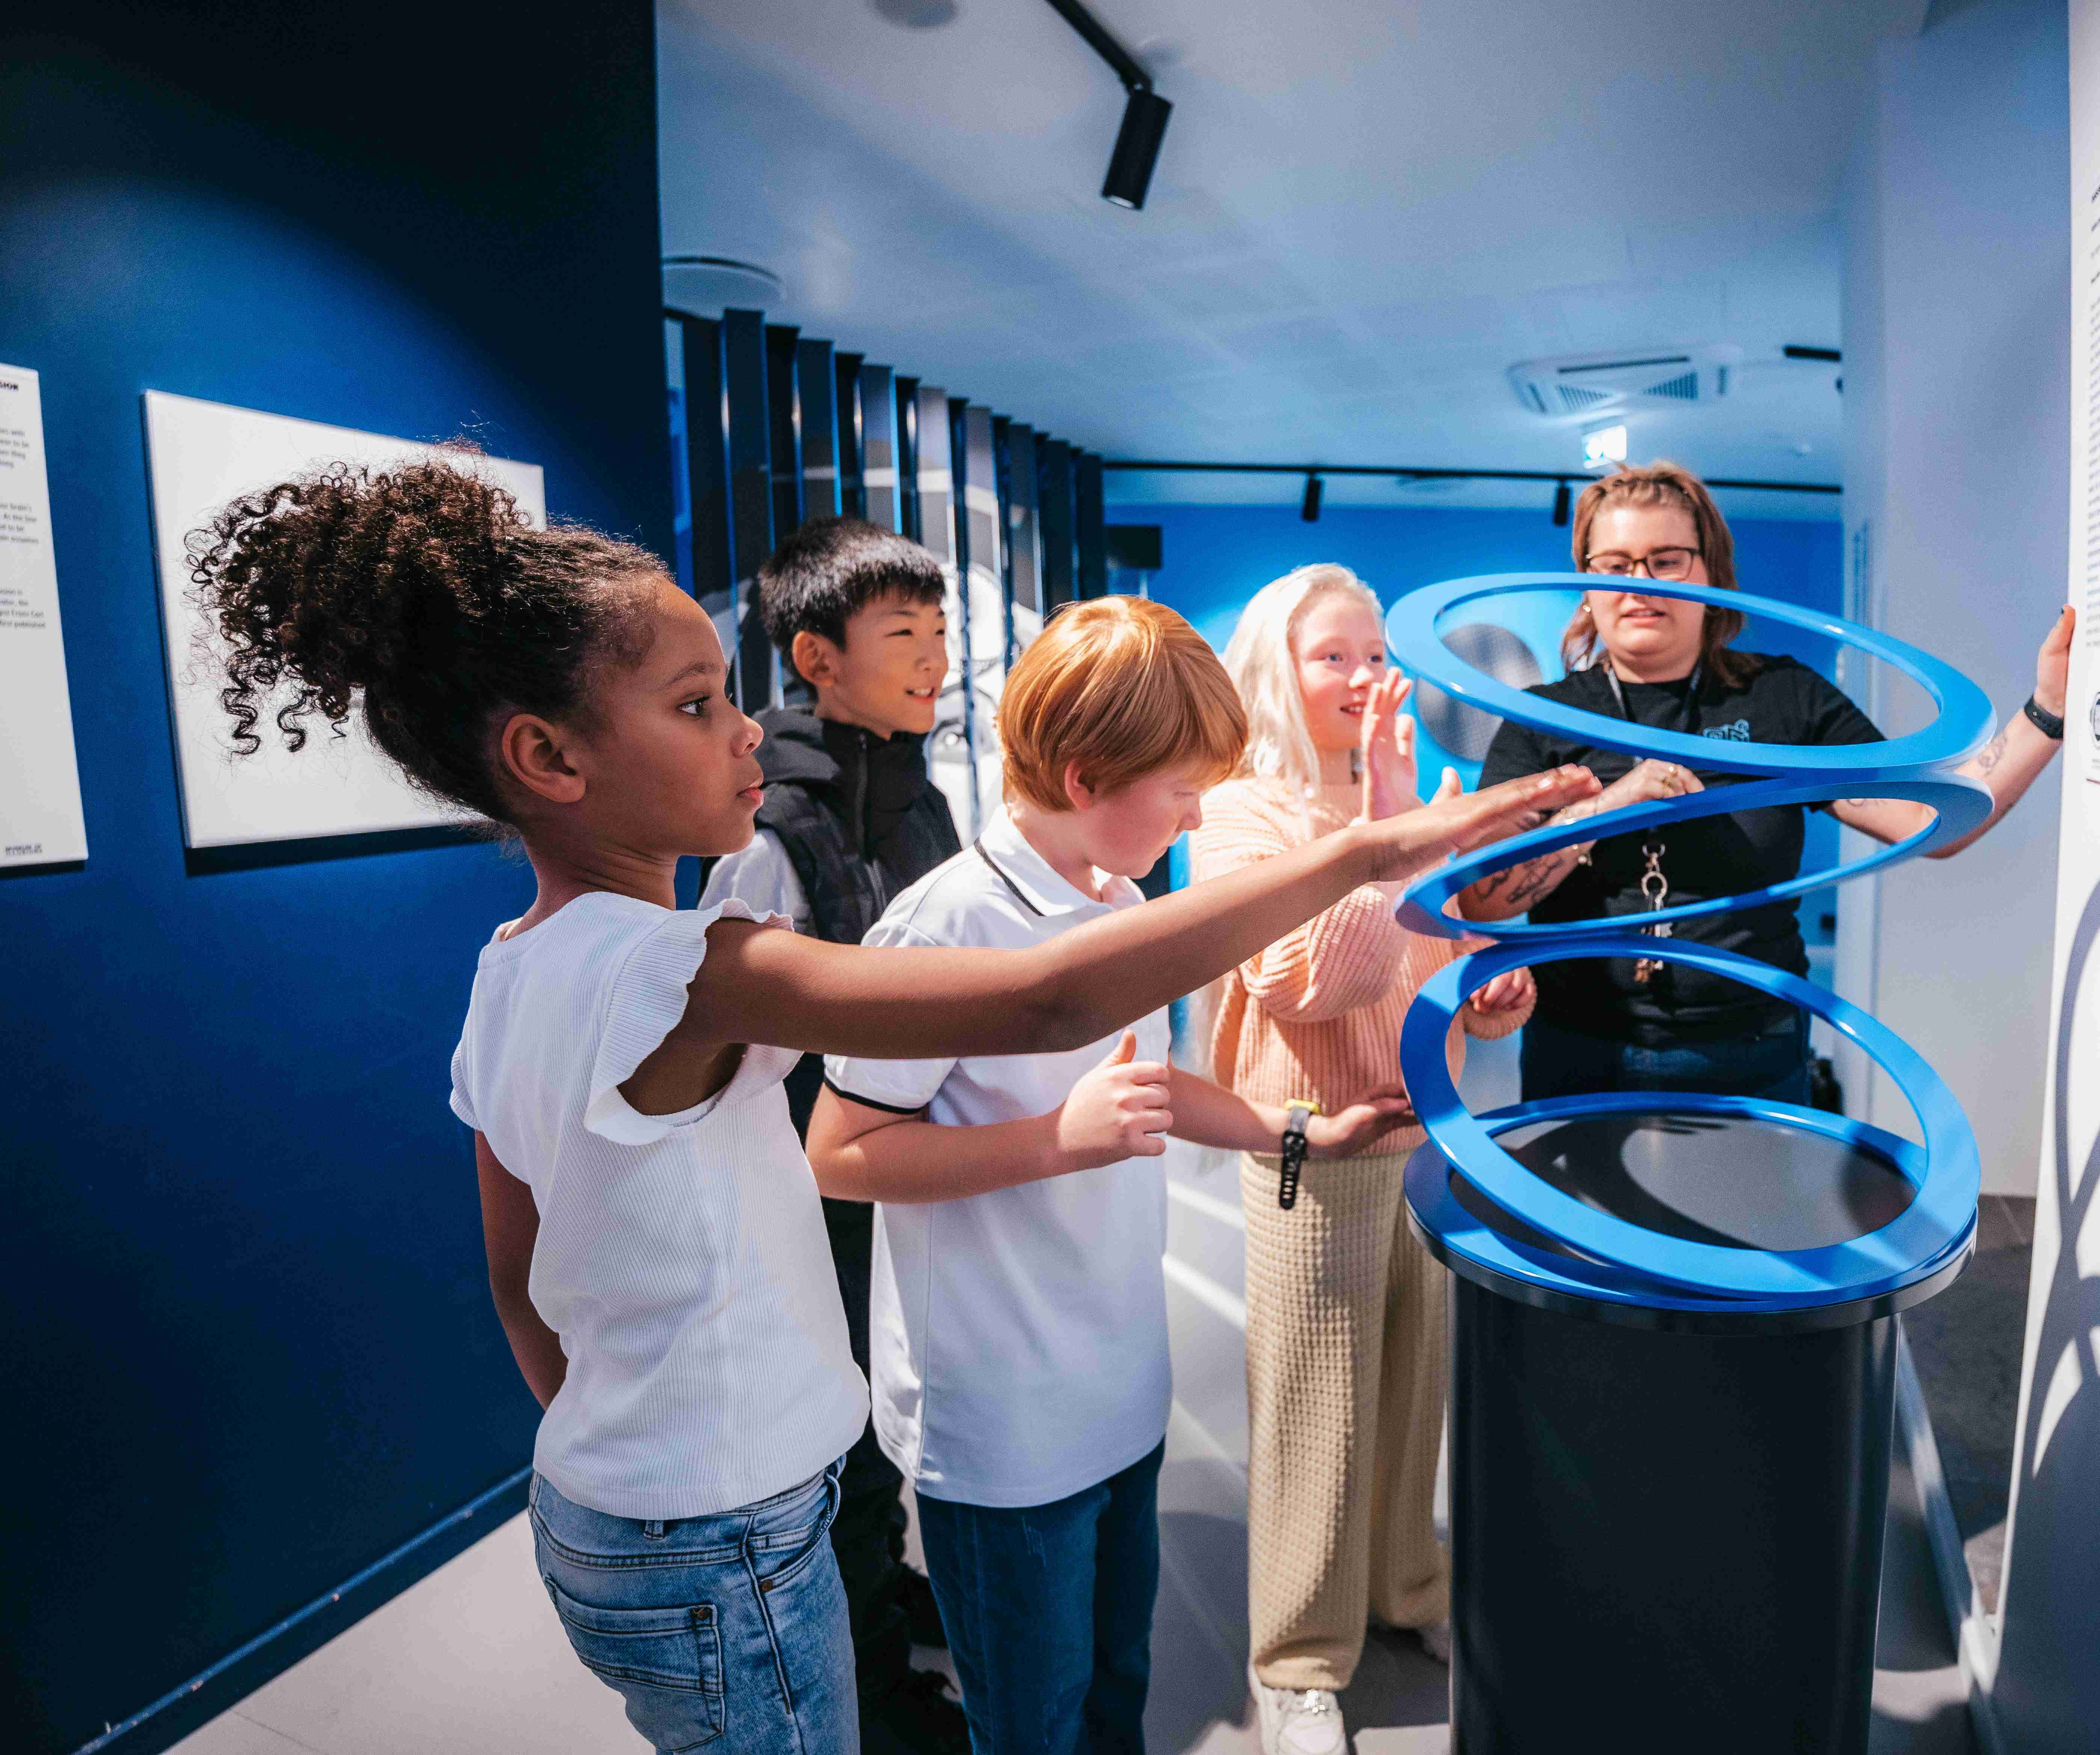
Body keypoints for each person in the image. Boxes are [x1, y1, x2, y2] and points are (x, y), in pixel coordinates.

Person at [186, 455, 1598, 1755]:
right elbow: (1042, 1007)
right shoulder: (693, 968)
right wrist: (1379, 843)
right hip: (734, 1526)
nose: (750, 733)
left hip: (630, 1502)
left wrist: (632, 1441)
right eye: (696, 706)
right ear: (549, 761)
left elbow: (520, 1282)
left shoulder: (511, 970)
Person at [806, 597, 1419, 1755]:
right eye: (1183, 790)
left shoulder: (1122, 901)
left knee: (1112, 1693)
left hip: (1121, 1392)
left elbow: (1145, 1086)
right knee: (1031, 1722)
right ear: (1088, 779)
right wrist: (1054, 1142)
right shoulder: (939, 929)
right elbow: (838, 1155)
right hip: (1001, 1427)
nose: (1198, 815)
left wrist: (1295, 1134)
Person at [1192, 565, 1538, 1755]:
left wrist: (1495, 987)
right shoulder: (1242, 815)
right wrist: (1392, 841)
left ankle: (1409, 1591)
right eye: (1331, 654)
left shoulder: (1413, 799)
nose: (1362, 674)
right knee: (1315, 1409)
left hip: (1424, 1140)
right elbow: (1305, 979)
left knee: (1412, 1393)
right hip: (1310, 1150)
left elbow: (1464, 969)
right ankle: (1296, 1664)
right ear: (1276, 670)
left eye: (1373, 650)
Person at [1467, 459, 2072, 1106]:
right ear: (1587, 583)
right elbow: (1483, 898)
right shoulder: (1541, 717)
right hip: (1579, 1050)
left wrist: (2048, 710)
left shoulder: (1784, 698)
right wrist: (1608, 807)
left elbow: (1931, 819)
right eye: (1614, 565)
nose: (1639, 584)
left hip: (1753, 1051)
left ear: (1712, 574)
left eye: (1666, 560)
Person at [696, 517, 965, 1753]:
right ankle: (867, 1671)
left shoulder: (919, 792)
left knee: (895, 1387)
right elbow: (729, 1037)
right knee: (838, 1417)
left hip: (905, 1164)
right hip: (813, 1181)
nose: (936, 658)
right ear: (814, 655)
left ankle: (886, 1583)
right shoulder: (767, 823)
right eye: (903, 635)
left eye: (939, 629)